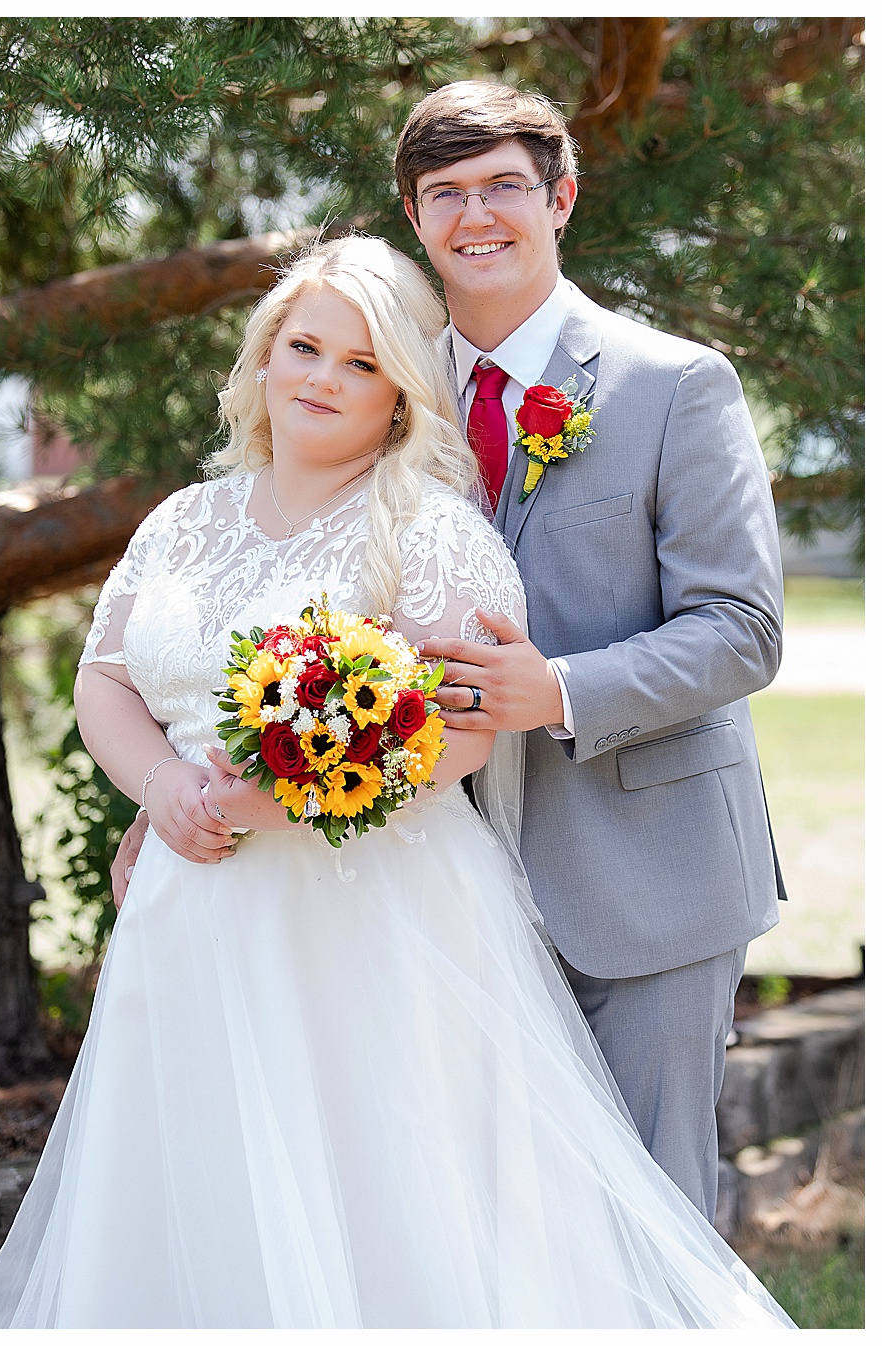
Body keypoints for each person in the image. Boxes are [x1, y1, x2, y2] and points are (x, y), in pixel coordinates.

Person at [0, 234, 791, 1327]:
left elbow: (459, 734)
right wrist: (163, 789)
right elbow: (106, 678)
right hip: (194, 904)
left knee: (379, 1185)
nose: (321, 377)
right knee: (202, 1177)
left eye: (361, 362)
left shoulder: (430, 536)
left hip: (370, 913)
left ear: (403, 395)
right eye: (302, 346)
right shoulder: (183, 519)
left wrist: (278, 799)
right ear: (262, 360)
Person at [395, 82, 785, 1223]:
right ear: (415, 221)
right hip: (440, 871)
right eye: (446, 193)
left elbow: (743, 628)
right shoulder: (390, 399)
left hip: (648, 867)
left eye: (506, 185)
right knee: (487, 1222)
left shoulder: (674, 385)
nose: (479, 215)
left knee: (652, 1220)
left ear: (561, 199)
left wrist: (558, 688)